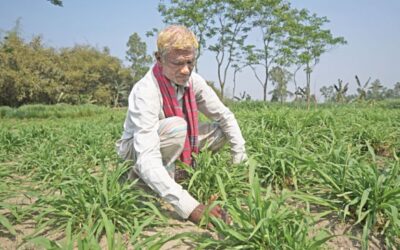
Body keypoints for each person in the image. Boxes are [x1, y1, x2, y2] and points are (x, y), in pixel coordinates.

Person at [115, 25, 247, 225]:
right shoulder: (146, 91)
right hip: (137, 153)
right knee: (178, 127)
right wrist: (192, 208)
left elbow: (225, 116)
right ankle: (140, 184)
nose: (185, 70)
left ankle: (179, 176)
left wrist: (239, 164)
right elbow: (147, 158)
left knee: (220, 131)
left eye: (190, 62)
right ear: (159, 59)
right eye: (178, 63)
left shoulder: (194, 81)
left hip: (170, 143)